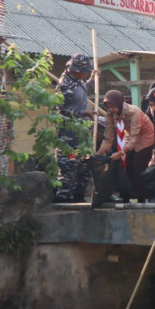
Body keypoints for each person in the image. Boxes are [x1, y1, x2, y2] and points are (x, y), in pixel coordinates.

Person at [53, 53, 98, 202]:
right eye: (85, 72)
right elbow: (59, 110)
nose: (85, 74)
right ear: (76, 70)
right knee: (69, 166)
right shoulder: (64, 85)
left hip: (81, 134)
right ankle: (64, 199)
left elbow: (83, 91)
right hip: (68, 136)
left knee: (83, 166)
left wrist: (92, 79)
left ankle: (79, 197)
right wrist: (83, 112)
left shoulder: (78, 81)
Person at [96, 90, 155, 202]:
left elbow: (135, 138)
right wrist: (98, 154)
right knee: (126, 167)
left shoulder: (134, 112)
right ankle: (127, 196)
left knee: (137, 167)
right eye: (108, 107)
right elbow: (108, 139)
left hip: (145, 138)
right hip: (130, 139)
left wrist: (121, 153)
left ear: (119, 103)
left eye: (113, 106)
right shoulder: (110, 114)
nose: (111, 110)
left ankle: (141, 198)